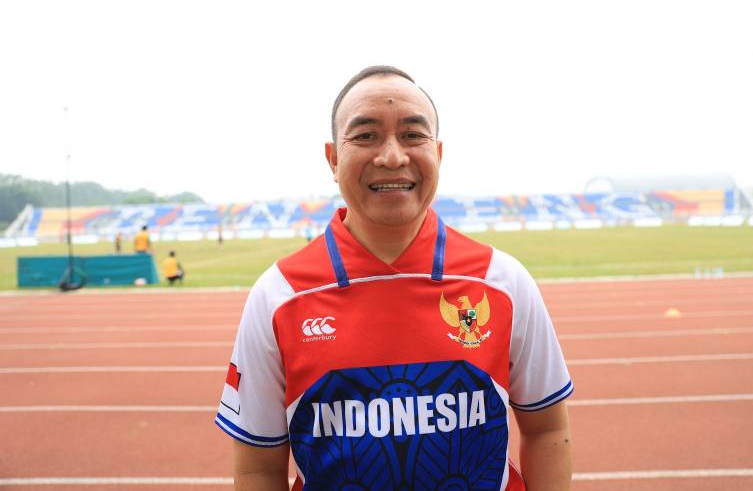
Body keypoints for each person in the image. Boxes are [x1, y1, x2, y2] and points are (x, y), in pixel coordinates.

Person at [215, 66, 573, 490]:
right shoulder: (280, 295)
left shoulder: (501, 281)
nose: (392, 157)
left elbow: (547, 428)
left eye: (412, 135)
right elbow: (258, 467)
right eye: (366, 135)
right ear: (333, 159)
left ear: (438, 153)